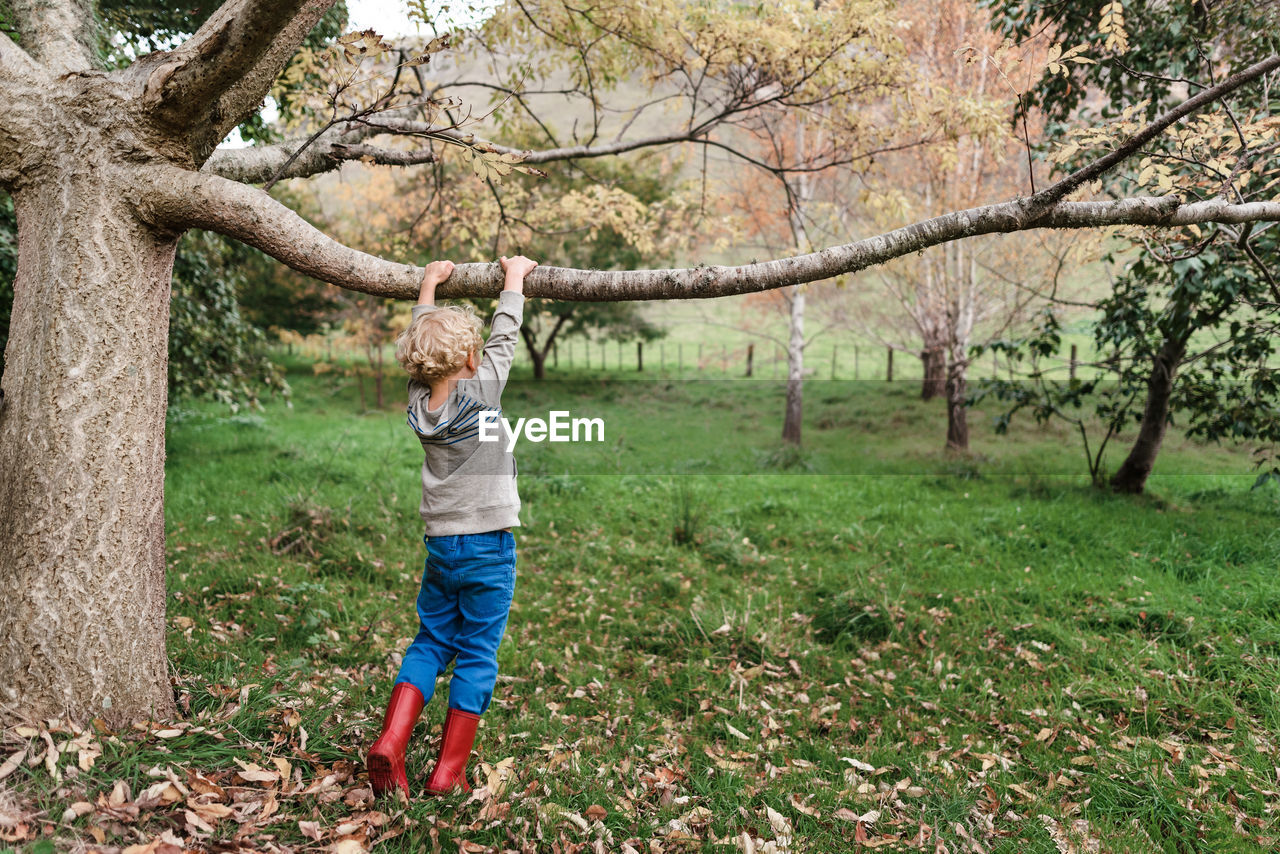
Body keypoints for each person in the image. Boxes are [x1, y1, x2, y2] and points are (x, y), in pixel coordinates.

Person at [367, 254, 538, 798]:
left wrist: (427, 286)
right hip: (489, 545)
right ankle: (449, 771)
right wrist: (515, 278)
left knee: (432, 639)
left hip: (441, 545)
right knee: (478, 650)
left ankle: (392, 742)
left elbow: (427, 343)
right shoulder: (482, 395)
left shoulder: (418, 403)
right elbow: (504, 337)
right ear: (471, 356)